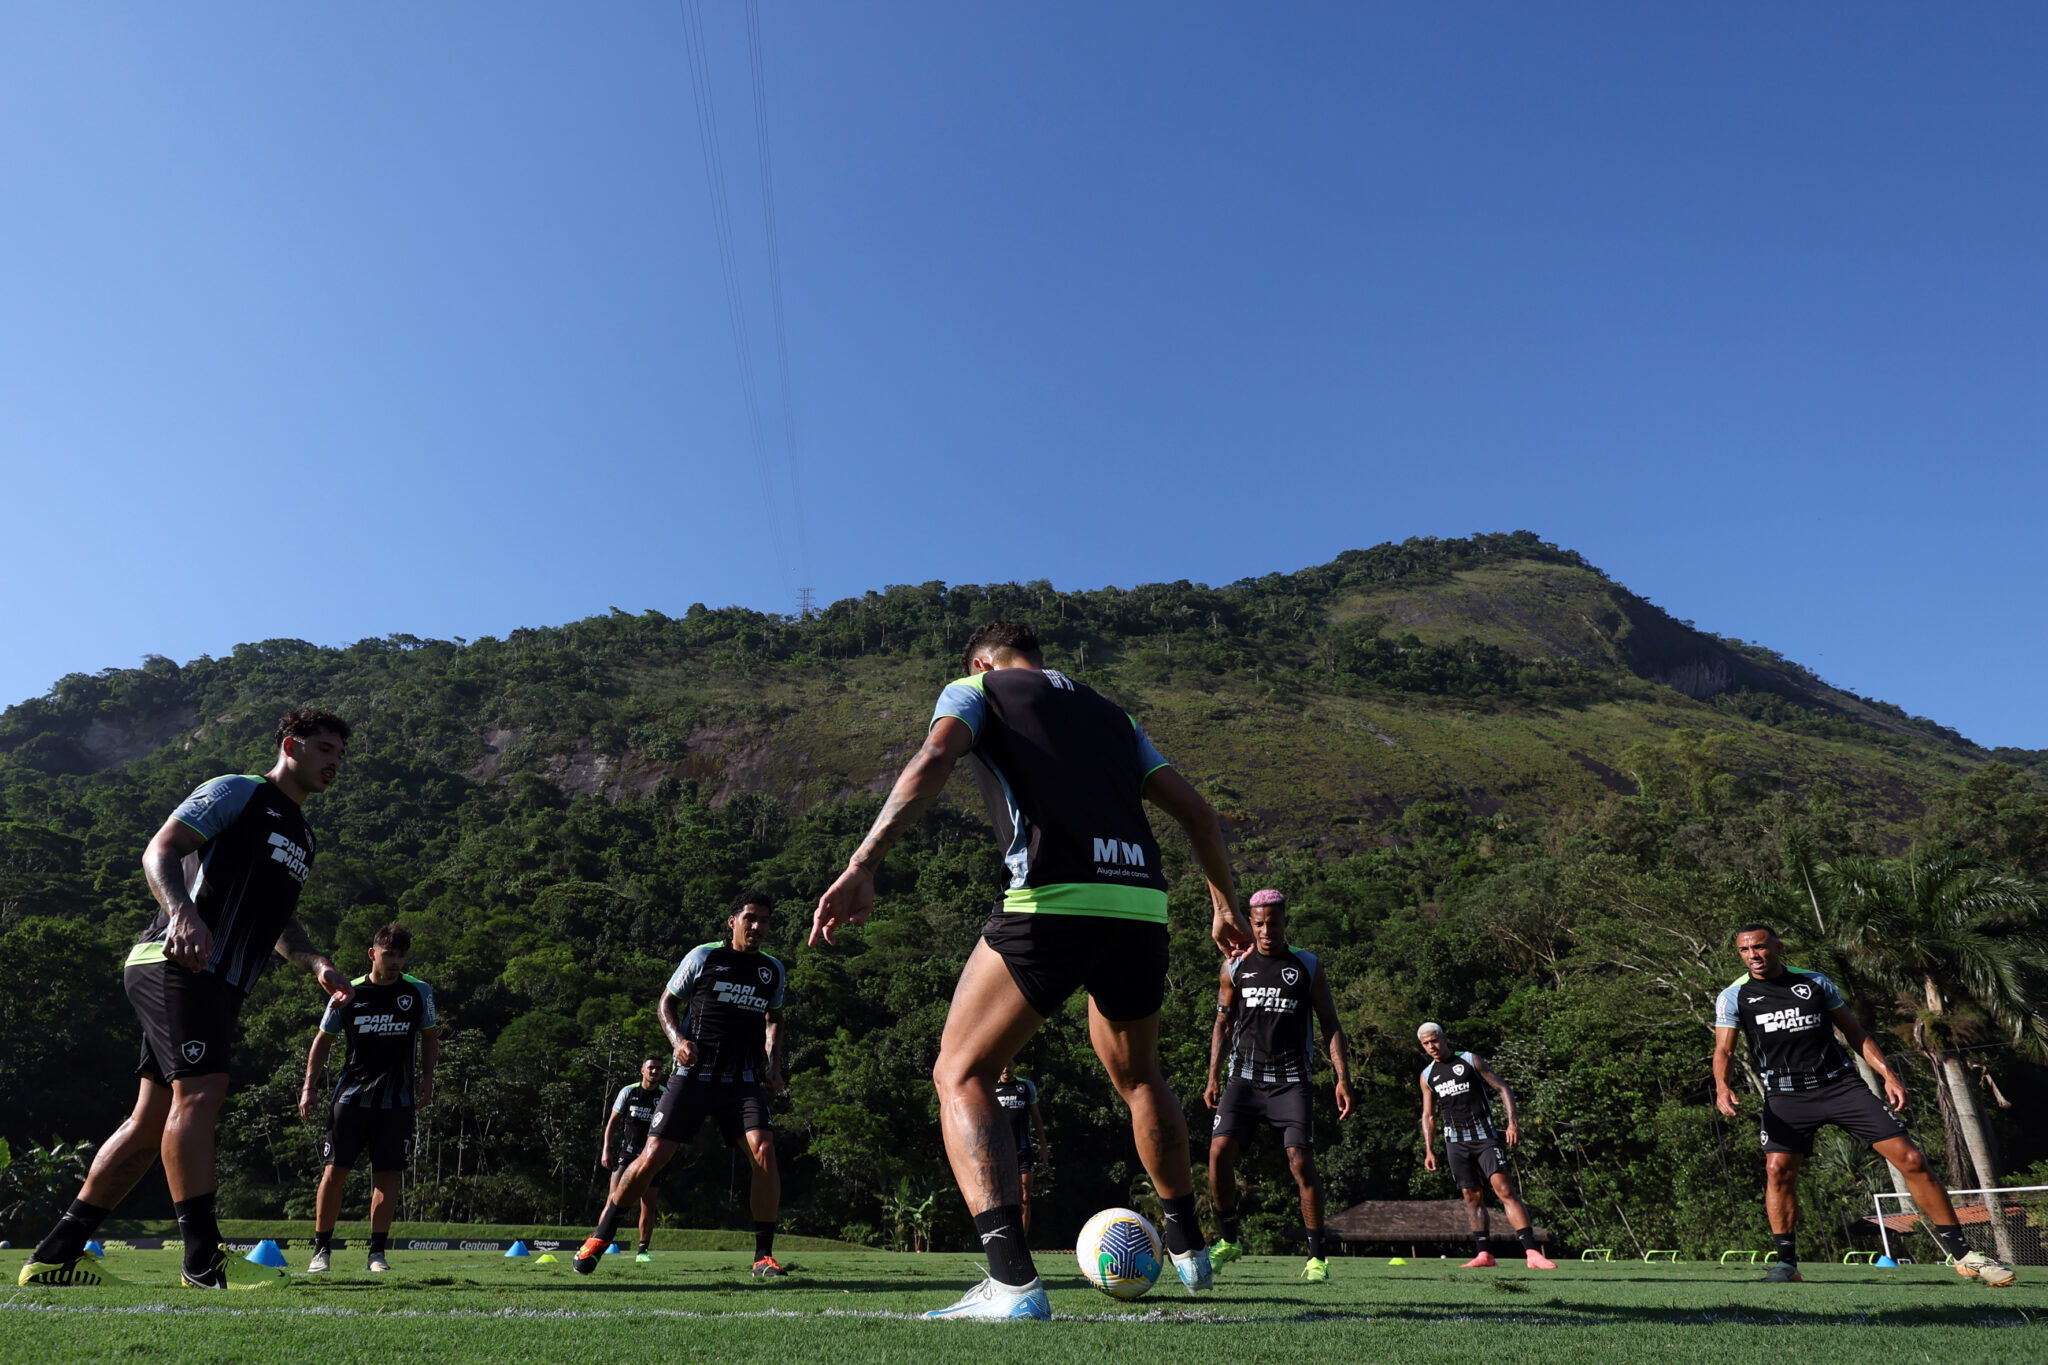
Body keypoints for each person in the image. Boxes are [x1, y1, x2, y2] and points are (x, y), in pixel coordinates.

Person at [810, 620, 1251, 1321]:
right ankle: (1189, 1244)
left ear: (983, 659)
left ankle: (1013, 1282)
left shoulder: (975, 687)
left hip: (1053, 900)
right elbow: (1198, 811)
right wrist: (1224, 902)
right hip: (1140, 907)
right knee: (1141, 1076)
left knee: (960, 1071)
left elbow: (932, 759)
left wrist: (862, 864)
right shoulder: (1113, 714)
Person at [20, 708, 355, 1290]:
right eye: (324, 748)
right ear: (290, 745)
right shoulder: (236, 793)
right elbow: (161, 850)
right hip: (175, 963)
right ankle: (202, 1260)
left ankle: (55, 1253)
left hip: (219, 983)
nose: (333, 762)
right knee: (202, 1091)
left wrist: (317, 962)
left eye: (340, 755)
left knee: (151, 1122)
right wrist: (183, 914)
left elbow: (282, 923)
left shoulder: (302, 835)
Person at [1714, 923, 2016, 1286]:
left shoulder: (1815, 983)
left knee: (1912, 1159)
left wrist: (1888, 1074)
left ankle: (1964, 1255)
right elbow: (1725, 1049)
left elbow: (1855, 1032)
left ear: (1777, 947)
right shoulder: (1735, 996)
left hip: (1841, 1087)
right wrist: (1721, 1085)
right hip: (1786, 1095)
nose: (1754, 956)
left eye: (1760, 947)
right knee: (1778, 1170)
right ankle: (1786, 1264)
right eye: (1745, 951)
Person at [576, 894, 788, 1279]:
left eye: (764, 921)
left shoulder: (772, 970)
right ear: (732, 921)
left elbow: (774, 1020)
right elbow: (666, 1004)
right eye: (750, 919)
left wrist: (774, 1066)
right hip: (693, 1077)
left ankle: (763, 1256)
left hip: (741, 1081)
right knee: (653, 1156)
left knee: (765, 1151)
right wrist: (677, 1041)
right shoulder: (703, 957)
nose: (757, 927)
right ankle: (601, 1235)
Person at [1204, 889, 1353, 1282]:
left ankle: (1317, 1257)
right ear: (1250, 925)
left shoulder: (1307, 965)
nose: (1266, 930)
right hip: (1244, 1081)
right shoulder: (1234, 968)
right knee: (1218, 1154)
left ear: (1285, 921)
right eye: (1259, 924)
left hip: (1292, 1083)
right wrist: (1213, 1076)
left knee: (1300, 1162)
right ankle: (1229, 1240)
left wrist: (1342, 1077)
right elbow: (1222, 1024)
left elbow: (1330, 1024)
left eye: (1273, 922)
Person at [299, 922, 438, 1274]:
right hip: (351, 1098)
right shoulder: (346, 993)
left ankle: (377, 1254)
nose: (395, 962)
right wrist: (308, 1087)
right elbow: (322, 1042)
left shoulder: (420, 992)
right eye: (389, 954)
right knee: (334, 1173)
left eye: (401, 956)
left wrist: (427, 1079)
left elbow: (430, 1037)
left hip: (398, 1101)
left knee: (387, 1176)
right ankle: (321, 1250)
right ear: (372, 954)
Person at [1418, 1022, 1555, 1270]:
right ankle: (1484, 1254)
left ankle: (1533, 1253)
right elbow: (1428, 1115)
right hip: (1455, 1143)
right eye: (1426, 1044)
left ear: (1444, 1038)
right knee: (1471, 1197)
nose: (1432, 1047)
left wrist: (1513, 1124)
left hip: (1485, 1137)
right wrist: (1429, 1149)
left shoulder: (1470, 1060)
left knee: (1504, 1189)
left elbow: (1503, 1087)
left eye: (1434, 1041)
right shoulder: (1427, 1075)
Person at [601, 1057, 669, 1261]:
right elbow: (612, 1122)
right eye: (650, 1067)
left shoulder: (665, 1095)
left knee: (648, 1204)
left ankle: (642, 1251)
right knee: (612, 1199)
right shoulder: (628, 1092)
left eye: (658, 1068)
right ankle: (597, 1242)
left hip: (650, 1157)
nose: (654, 1071)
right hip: (627, 1154)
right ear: (642, 1070)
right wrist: (606, 1150)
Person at [993, 1064, 1048, 1235]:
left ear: (1014, 1066)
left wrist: (1043, 1145)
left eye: (1009, 1064)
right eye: (1002, 1065)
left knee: (1024, 1196)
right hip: (1001, 1151)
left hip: (1023, 1149)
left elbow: (1036, 1117)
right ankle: (1006, 1237)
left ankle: (1022, 1241)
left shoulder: (1026, 1086)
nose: (1005, 1069)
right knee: (1004, 1197)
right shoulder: (991, 1087)